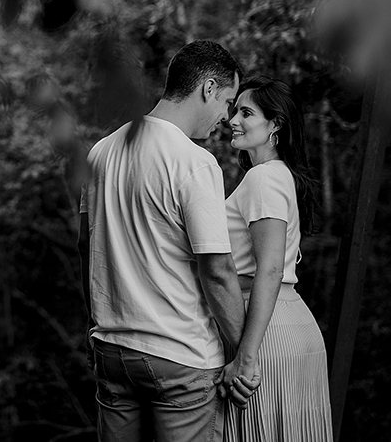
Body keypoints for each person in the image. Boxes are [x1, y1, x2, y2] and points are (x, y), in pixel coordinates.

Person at [78, 40, 258, 442]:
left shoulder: (101, 153)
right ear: (208, 89)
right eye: (228, 102)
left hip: (112, 349)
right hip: (180, 357)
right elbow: (217, 270)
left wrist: (97, 322)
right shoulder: (193, 162)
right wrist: (243, 355)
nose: (225, 118)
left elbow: (85, 252)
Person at [221, 75, 333, 441]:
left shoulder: (263, 179)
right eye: (234, 110)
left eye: (246, 112)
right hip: (287, 322)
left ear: (276, 125)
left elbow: (269, 268)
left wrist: (246, 356)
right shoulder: (281, 175)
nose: (233, 119)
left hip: (266, 331)